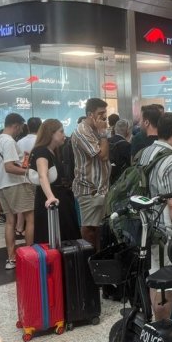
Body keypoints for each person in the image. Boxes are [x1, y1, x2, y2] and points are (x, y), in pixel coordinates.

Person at [137, 112, 172, 320]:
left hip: (148, 224)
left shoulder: (146, 152)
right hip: (166, 228)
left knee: (155, 275)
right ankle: (164, 327)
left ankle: (156, 325)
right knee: (168, 279)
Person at [0, 113, 35, 269]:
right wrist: (29, 172)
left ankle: (11, 259)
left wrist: (24, 162)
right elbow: (9, 167)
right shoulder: (9, 141)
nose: (20, 132)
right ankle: (30, 257)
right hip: (16, 184)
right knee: (30, 219)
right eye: (20, 128)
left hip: (2, 185)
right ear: (16, 125)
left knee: (10, 222)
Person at [29, 119, 81, 244]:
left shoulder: (53, 151)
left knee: (65, 234)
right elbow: (43, 175)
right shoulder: (41, 151)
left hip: (61, 198)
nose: (64, 135)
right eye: (61, 131)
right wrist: (50, 197)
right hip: (52, 200)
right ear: (51, 133)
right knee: (53, 236)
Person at [72, 97, 111, 250]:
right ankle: (87, 259)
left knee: (99, 228)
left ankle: (97, 258)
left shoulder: (96, 130)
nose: (104, 117)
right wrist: (103, 134)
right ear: (90, 114)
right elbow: (103, 155)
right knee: (89, 228)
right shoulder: (82, 132)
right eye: (101, 113)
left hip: (101, 188)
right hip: (89, 190)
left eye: (105, 113)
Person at [109, 119, 132, 184]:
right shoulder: (126, 145)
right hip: (119, 180)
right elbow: (130, 163)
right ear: (127, 131)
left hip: (107, 178)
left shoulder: (107, 141)